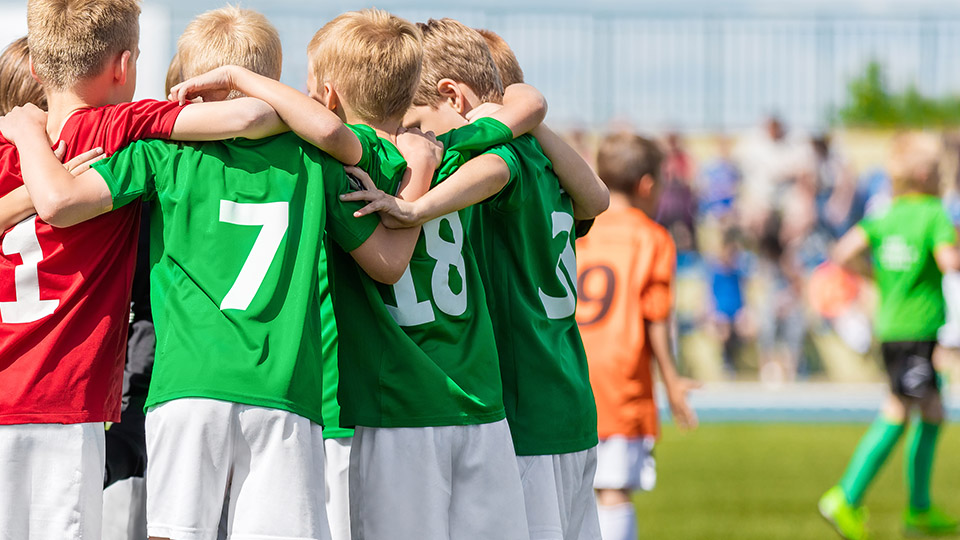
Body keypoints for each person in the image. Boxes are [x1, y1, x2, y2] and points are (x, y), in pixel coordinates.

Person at [1, 6, 447, 539]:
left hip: (186, 387)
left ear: (188, 83)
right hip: (284, 393)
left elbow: (62, 200)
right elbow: (389, 264)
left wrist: (27, 137)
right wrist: (418, 185)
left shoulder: (159, 153)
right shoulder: (314, 161)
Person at [169, 10, 548, 539]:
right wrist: (418, 174)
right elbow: (527, 104)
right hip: (479, 398)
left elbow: (389, 264)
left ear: (326, 96)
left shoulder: (343, 167)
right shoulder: (449, 148)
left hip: (393, 406)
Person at [0, 1, 292, 537]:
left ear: (38, 69)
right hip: (61, 401)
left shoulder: (9, 144)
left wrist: (24, 138)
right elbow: (249, 116)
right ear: (125, 66)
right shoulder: (120, 130)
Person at [387, 20, 608, 540]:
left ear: (452, 96)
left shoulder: (485, 158)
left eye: (417, 121)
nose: (414, 135)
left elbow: (493, 161)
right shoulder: (550, 164)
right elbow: (596, 198)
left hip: (523, 408)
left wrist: (414, 201)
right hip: (569, 397)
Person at [819, 132, 960, 539]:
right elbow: (949, 262)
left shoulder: (887, 213)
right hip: (916, 330)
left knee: (931, 412)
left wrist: (878, 275)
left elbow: (844, 253)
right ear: (924, 174)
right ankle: (847, 496)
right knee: (901, 412)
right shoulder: (934, 213)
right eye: (938, 170)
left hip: (895, 327)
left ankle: (918, 507)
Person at [575, 132, 699, 540]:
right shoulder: (653, 237)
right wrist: (673, 381)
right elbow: (656, 319)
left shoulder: (579, 227)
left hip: (570, 367)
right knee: (614, 490)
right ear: (647, 185)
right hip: (620, 378)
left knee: (570, 490)